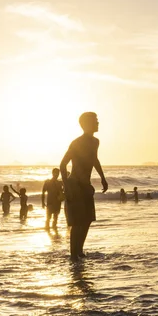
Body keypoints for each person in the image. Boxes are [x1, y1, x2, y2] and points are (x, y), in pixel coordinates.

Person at [60, 112, 108, 261]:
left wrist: (102, 177)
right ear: (87, 124)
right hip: (75, 184)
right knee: (77, 222)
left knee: (87, 219)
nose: (98, 123)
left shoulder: (95, 142)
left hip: (86, 186)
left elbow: (94, 159)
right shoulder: (77, 143)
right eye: (95, 121)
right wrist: (67, 186)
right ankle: (73, 254)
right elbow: (63, 164)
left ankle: (79, 251)